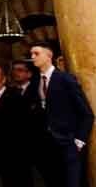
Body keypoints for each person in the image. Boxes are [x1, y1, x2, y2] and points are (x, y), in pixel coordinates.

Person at [28, 41, 93, 187]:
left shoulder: (65, 79)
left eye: (36, 53)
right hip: (47, 147)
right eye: (31, 54)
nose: (32, 57)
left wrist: (79, 141)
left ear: (49, 55)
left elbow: (86, 113)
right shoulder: (35, 81)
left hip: (68, 144)